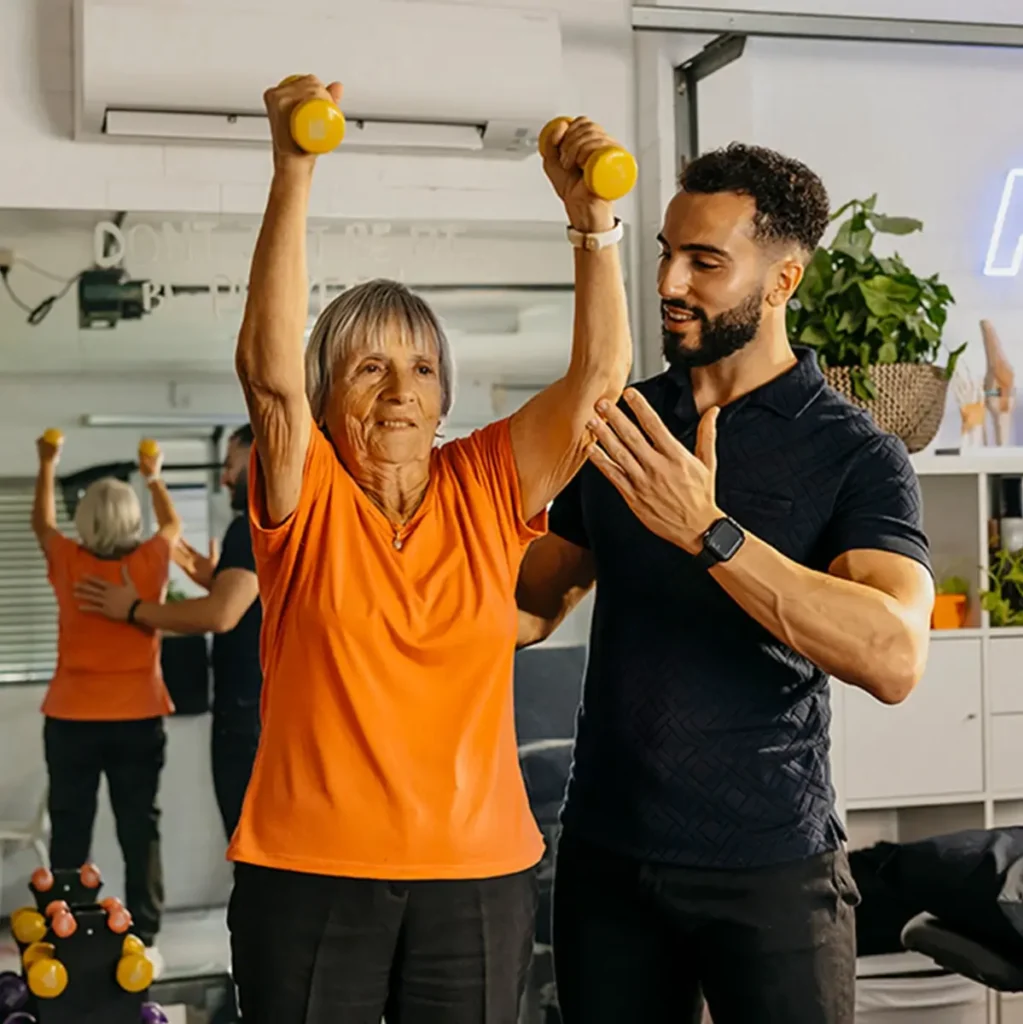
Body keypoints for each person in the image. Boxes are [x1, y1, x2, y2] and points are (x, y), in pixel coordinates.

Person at [223, 75, 633, 1024]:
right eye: (369, 366)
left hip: (478, 878)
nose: (400, 389)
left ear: (446, 398)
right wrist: (293, 168)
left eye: (420, 369)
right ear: (331, 400)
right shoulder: (306, 493)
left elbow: (598, 384)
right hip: (308, 873)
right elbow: (269, 377)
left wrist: (594, 225)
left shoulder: (485, 482)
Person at [515, 143, 935, 1024]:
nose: (671, 280)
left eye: (706, 261)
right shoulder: (622, 423)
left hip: (773, 867)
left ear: (783, 281)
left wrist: (710, 534)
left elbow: (893, 656)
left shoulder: (855, 454)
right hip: (608, 862)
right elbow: (523, 608)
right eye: (667, 250)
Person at [31, 431, 182, 968]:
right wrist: (154, 476)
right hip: (138, 721)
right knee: (139, 828)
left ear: (87, 519)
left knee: (71, 829)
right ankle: (147, 935)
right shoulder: (149, 563)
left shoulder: (69, 561)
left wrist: (48, 464)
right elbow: (171, 527)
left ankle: (69, 934)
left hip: (71, 720)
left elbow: (42, 526)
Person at [74, 424, 262, 840]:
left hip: (249, 719)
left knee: (250, 845)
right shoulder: (262, 530)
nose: (225, 477)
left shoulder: (249, 528)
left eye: (231, 465)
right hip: (251, 712)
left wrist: (136, 609)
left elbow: (221, 615)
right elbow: (236, 595)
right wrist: (154, 483)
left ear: (259, 456)